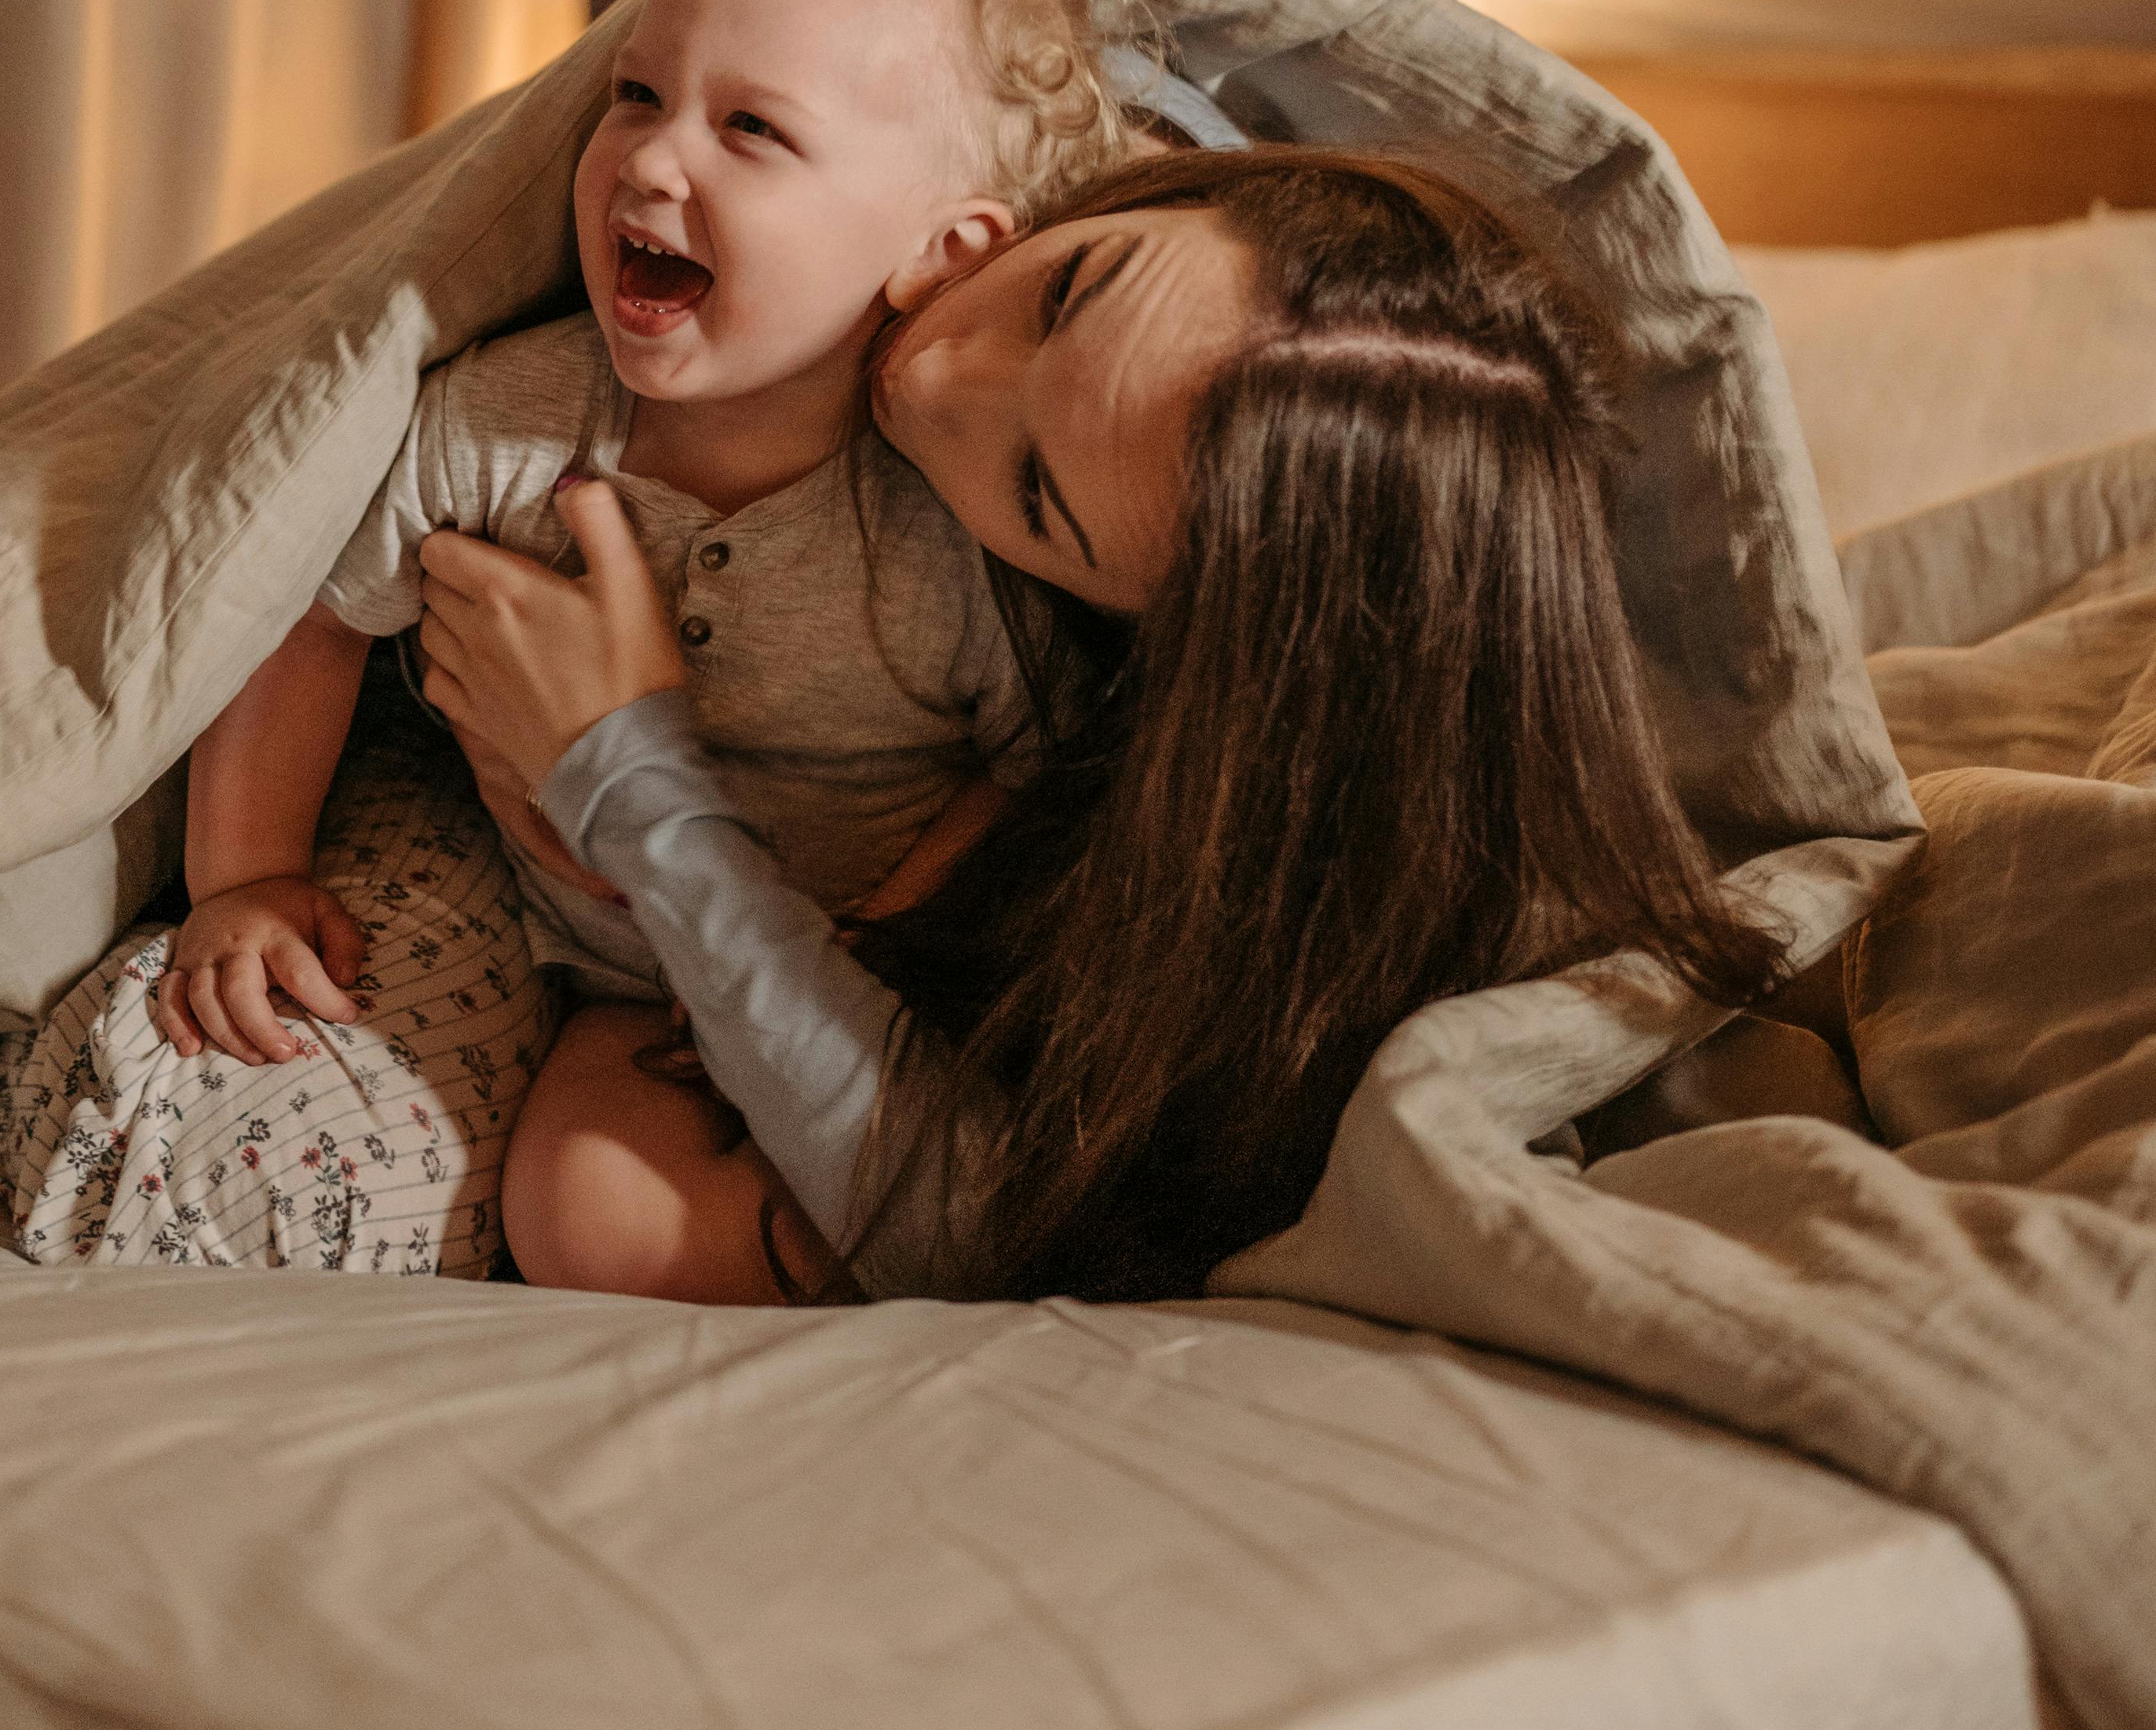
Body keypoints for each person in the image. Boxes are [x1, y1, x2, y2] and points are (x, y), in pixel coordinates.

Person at [0, 0, 1126, 1277]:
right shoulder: (499, 421)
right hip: (586, 957)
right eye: (637, 95)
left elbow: (1026, 773)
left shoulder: (949, 524)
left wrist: (873, 951)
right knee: (492, 1179)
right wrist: (247, 871)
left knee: (719, 1211)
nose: (650, 157)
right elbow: (312, 614)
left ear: (942, 252)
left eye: (752, 129)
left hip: (823, 971)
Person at [421, 144, 1789, 1308]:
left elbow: (976, 1229)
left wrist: (634, 782)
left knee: (628, 1218)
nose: (934, 371)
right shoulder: (953, 156)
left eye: (1032, 495)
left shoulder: (1207, 785)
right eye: (1070, 291)